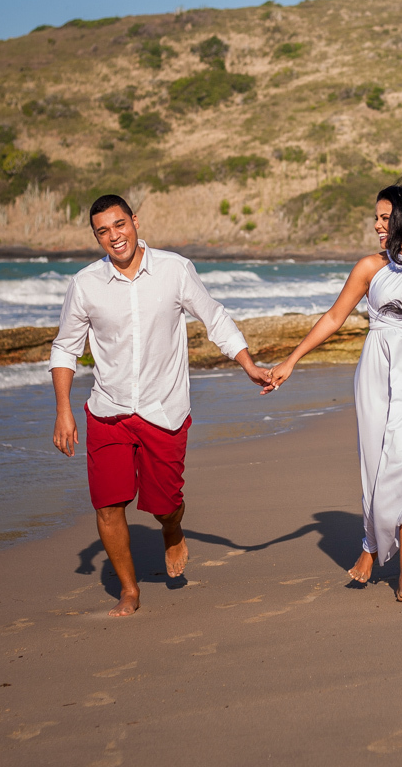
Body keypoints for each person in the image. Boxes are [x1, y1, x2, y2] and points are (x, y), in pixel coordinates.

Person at [51, 194, 272, 617]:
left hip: (163, 410)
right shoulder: (84, 284)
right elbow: (65, 348)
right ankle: (129, 589)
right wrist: (63, 410)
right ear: (96, 237)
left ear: (134, 221)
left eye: (120, 225)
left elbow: (214, 317)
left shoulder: (174, 269)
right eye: (103, 231)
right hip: (108, 411)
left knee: (165, 504)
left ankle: (173, 531)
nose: (114, 236)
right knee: (108, 504)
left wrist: (247, 364)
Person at [266, 183, 402, 601]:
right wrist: (290, 361)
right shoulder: (370, 267)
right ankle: (371, 541)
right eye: (377, 217)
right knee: (383, 464)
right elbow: (333, 318)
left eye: (385, 217)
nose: (377, 224)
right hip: (379, 375)